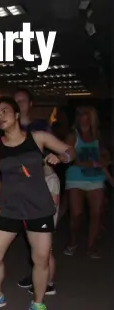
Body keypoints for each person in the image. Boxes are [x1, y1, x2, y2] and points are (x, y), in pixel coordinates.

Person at [0, 97, 74, 310]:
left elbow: (69, 150)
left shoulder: (38, 138)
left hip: (39, 208)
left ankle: (38, 303)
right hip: (8, 209)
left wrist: (61, 156)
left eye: (4, 111)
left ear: (17, 114)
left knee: (40, 259)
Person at [13, 89, 61, 294]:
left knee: (44, 238)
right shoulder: (9, 128)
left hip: (45, 183)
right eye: (15, 101)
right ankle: (37, 274)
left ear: (31, 103)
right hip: (26, 187)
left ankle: (47, 283)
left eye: (22, 100)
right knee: (32, 237)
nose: (18, 104)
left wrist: (61, 156)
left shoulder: (40, 127)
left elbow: (60, 150)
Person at [64, 106, 109, 259]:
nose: (82, 117)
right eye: (80, 114)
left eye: (85, 114)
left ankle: (91, 247)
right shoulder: (73, 135)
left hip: (96, 177)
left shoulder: (97, 135)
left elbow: (103, 152)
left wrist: (104, 158)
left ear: (91, 117)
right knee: (77, 214)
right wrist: (88, 163)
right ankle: (73, 241)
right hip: (76, 177)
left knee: (96, 213)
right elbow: (68, 156)